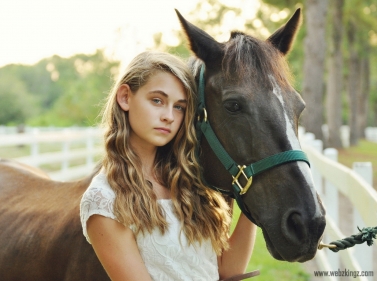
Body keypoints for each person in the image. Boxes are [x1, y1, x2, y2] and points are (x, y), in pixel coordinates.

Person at [80, 51, 256, 281]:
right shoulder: (104, 200)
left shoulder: (191, 181)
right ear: (125, 97)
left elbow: (225, 271)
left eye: (179, 107)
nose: (169, 116)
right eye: (157, 101)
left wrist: (251, 205)